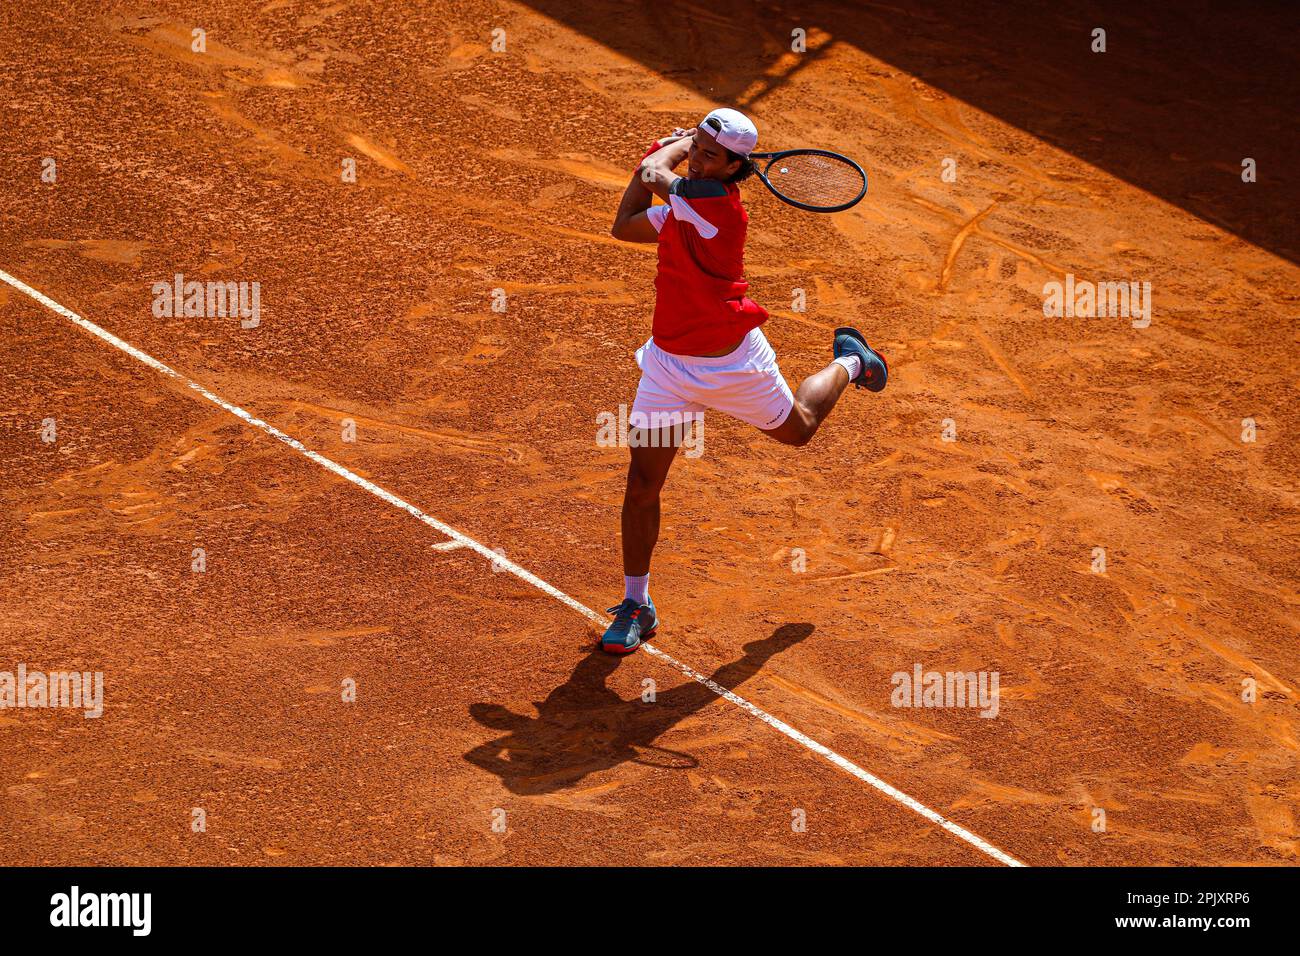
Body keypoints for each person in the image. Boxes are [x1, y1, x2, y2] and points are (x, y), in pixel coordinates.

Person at [601, 107, 887, 654]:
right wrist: (677, 151)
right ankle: (637, 602)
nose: (703, 161)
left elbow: (655, 176)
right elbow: (626, 222)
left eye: (714, 155)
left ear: (737, 167)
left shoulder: (713, 205)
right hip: (668, 367)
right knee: (642, 486)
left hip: (731, 366)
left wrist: (677, 145)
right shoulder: (687, 204)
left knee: (798, 430)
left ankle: (851, 361)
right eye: (701, 151)